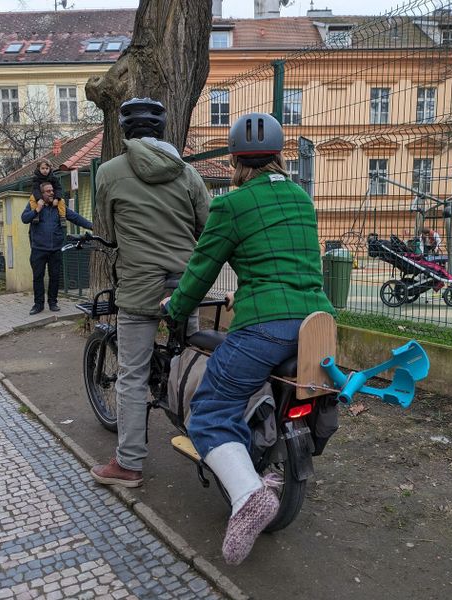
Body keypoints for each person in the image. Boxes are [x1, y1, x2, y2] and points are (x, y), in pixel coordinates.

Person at [161, 113, 335, 566]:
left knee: (210, 411)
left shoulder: (230, 206)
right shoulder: (301, 198)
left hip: (265, 327)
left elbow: (201, 271)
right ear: (278, 157)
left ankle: (247, 496)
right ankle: (266, 466)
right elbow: (289, 262)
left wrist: (175, 310)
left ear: (236, 160)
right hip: (317, 325)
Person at [88, 97, 211, 488]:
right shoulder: (188, 173)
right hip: (183, 286)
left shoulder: (108, 171)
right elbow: (206, 225)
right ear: (162, 131)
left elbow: (106, 230)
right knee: (190, 362)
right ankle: (202, 440)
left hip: (139, 288)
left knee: (132, 375)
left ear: (125, 131)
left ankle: (128, 464)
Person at [21, 181, 93, 315]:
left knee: (55, 277)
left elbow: (75, 217)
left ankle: (53, 303)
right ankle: (38, 305)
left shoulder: (59, 206)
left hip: (55, 248)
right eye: (48, 191)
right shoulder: (34, 205)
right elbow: (24, 218)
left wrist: (91, 225)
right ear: (41, 194)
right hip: (38, 249)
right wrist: (37, 210)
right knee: (38, 277)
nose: (51, 193)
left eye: (52, 191)